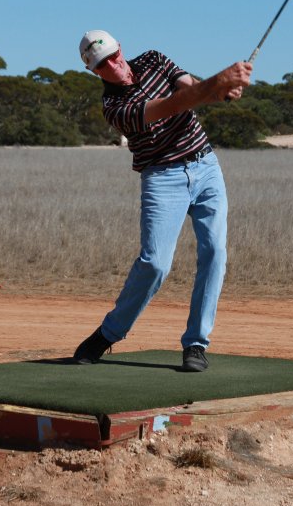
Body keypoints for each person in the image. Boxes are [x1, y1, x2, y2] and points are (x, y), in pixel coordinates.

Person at [73, 30, 252, 372]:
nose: (114, 65)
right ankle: (109, 333)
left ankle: (196, 344)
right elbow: (173, 105)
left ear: (120, 48)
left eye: (114, 55)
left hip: (206, 166)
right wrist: (217, 82)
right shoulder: (115, 108)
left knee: (214, 251)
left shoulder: (154, 59)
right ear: (94, 71)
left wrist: (222, 90)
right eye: (103, 64)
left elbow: (189, 88)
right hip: (162, 178)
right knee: (155, 263)